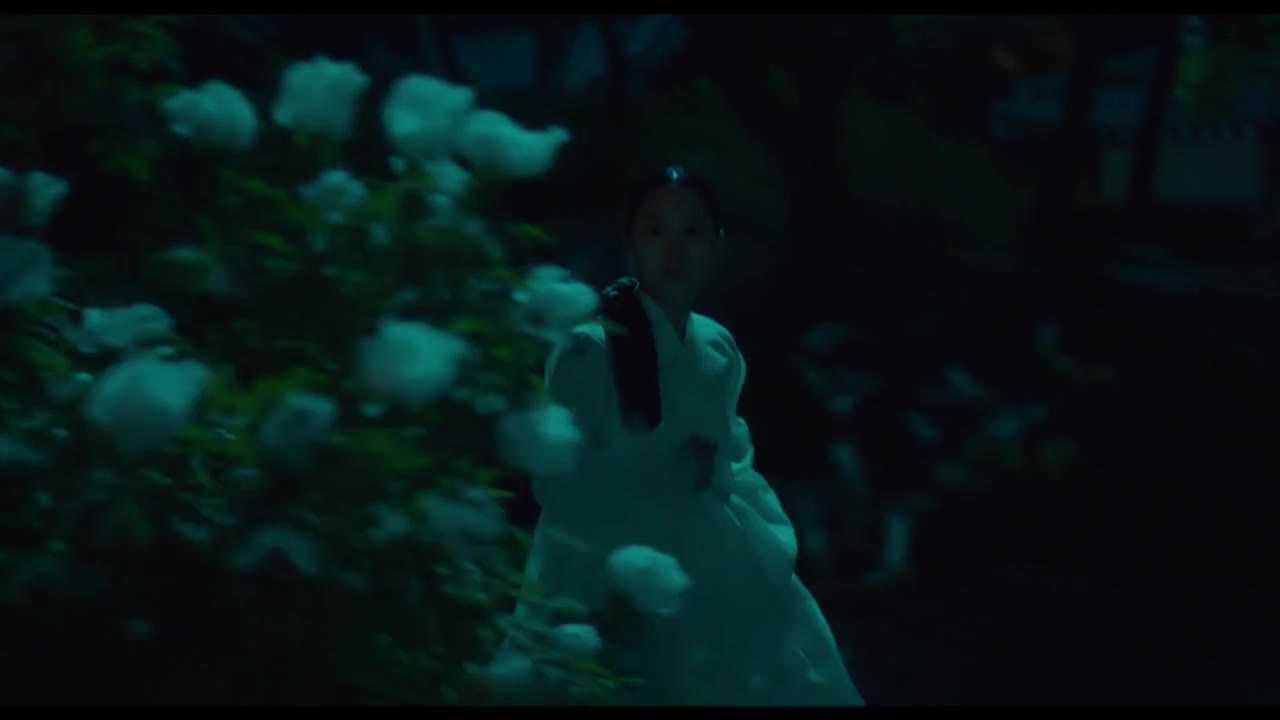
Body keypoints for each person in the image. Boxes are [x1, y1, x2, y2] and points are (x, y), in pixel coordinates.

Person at [520, 165, 864, 705]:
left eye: (692, 230)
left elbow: (731, 452)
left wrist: (746, 522)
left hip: (717, 559)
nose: (674, 248)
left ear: (715, 244)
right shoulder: (591, 347)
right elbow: (557, 478)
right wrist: (658, 480)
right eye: (656, 229)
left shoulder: (717, 345)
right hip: (613, 567)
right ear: (630, 240)